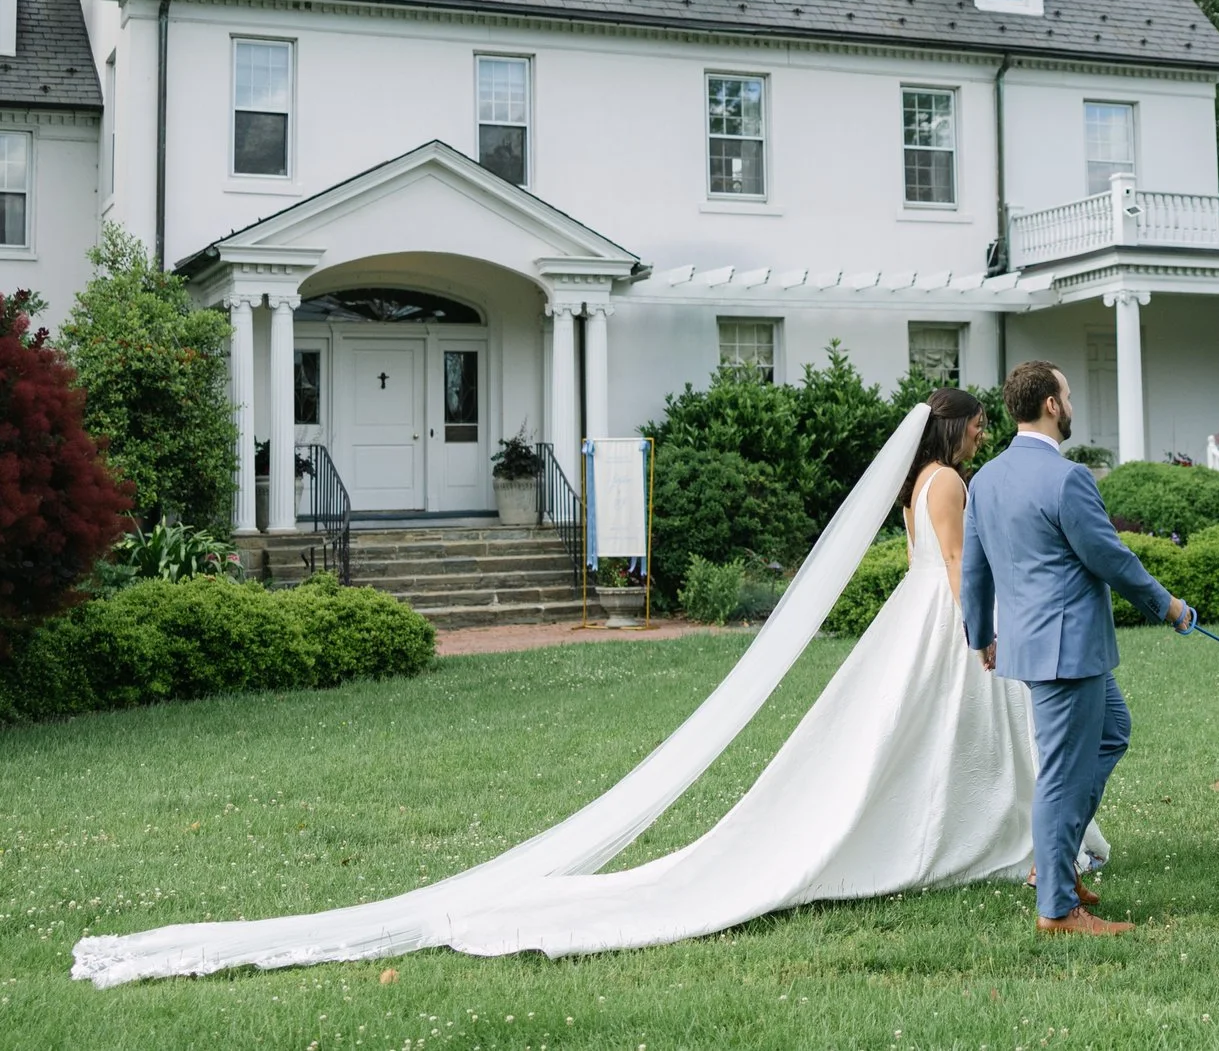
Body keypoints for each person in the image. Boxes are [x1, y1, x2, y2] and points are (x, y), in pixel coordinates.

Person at [73, 392, 1080, 983]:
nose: (984, 440)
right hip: (940, 626)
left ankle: (986, 833)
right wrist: (983, 631)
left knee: (922, 745)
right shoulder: (944, 484)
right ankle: (972, 836)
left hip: (925, 627)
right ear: (953, 433)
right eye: (980, 428)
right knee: (920, 744)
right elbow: (951, 571)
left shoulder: (924, 478)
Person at [961, 359, 1194, 936]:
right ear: (1050, 405)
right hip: (1067, 652)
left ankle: (1055, 862)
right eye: (1066, 394)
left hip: (1037, 647)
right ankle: (1058, 909)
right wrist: (1167, 606)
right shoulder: (1068, 479)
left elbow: (974, 570)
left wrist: (980, 636)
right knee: (1062, 776)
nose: (1070, 403)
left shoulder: (985, 479)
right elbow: (1110, 558)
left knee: (1113, 730)